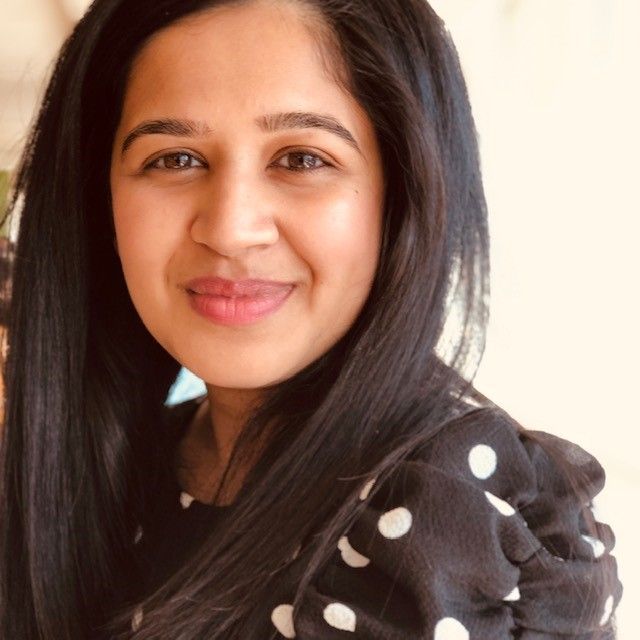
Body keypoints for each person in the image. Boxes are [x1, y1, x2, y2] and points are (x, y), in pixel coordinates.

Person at [0, 0, 623, 638]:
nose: (231, 229)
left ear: (401, 192)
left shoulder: (445, 509)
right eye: (175, 158)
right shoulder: (111, 464)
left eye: (301, 159)